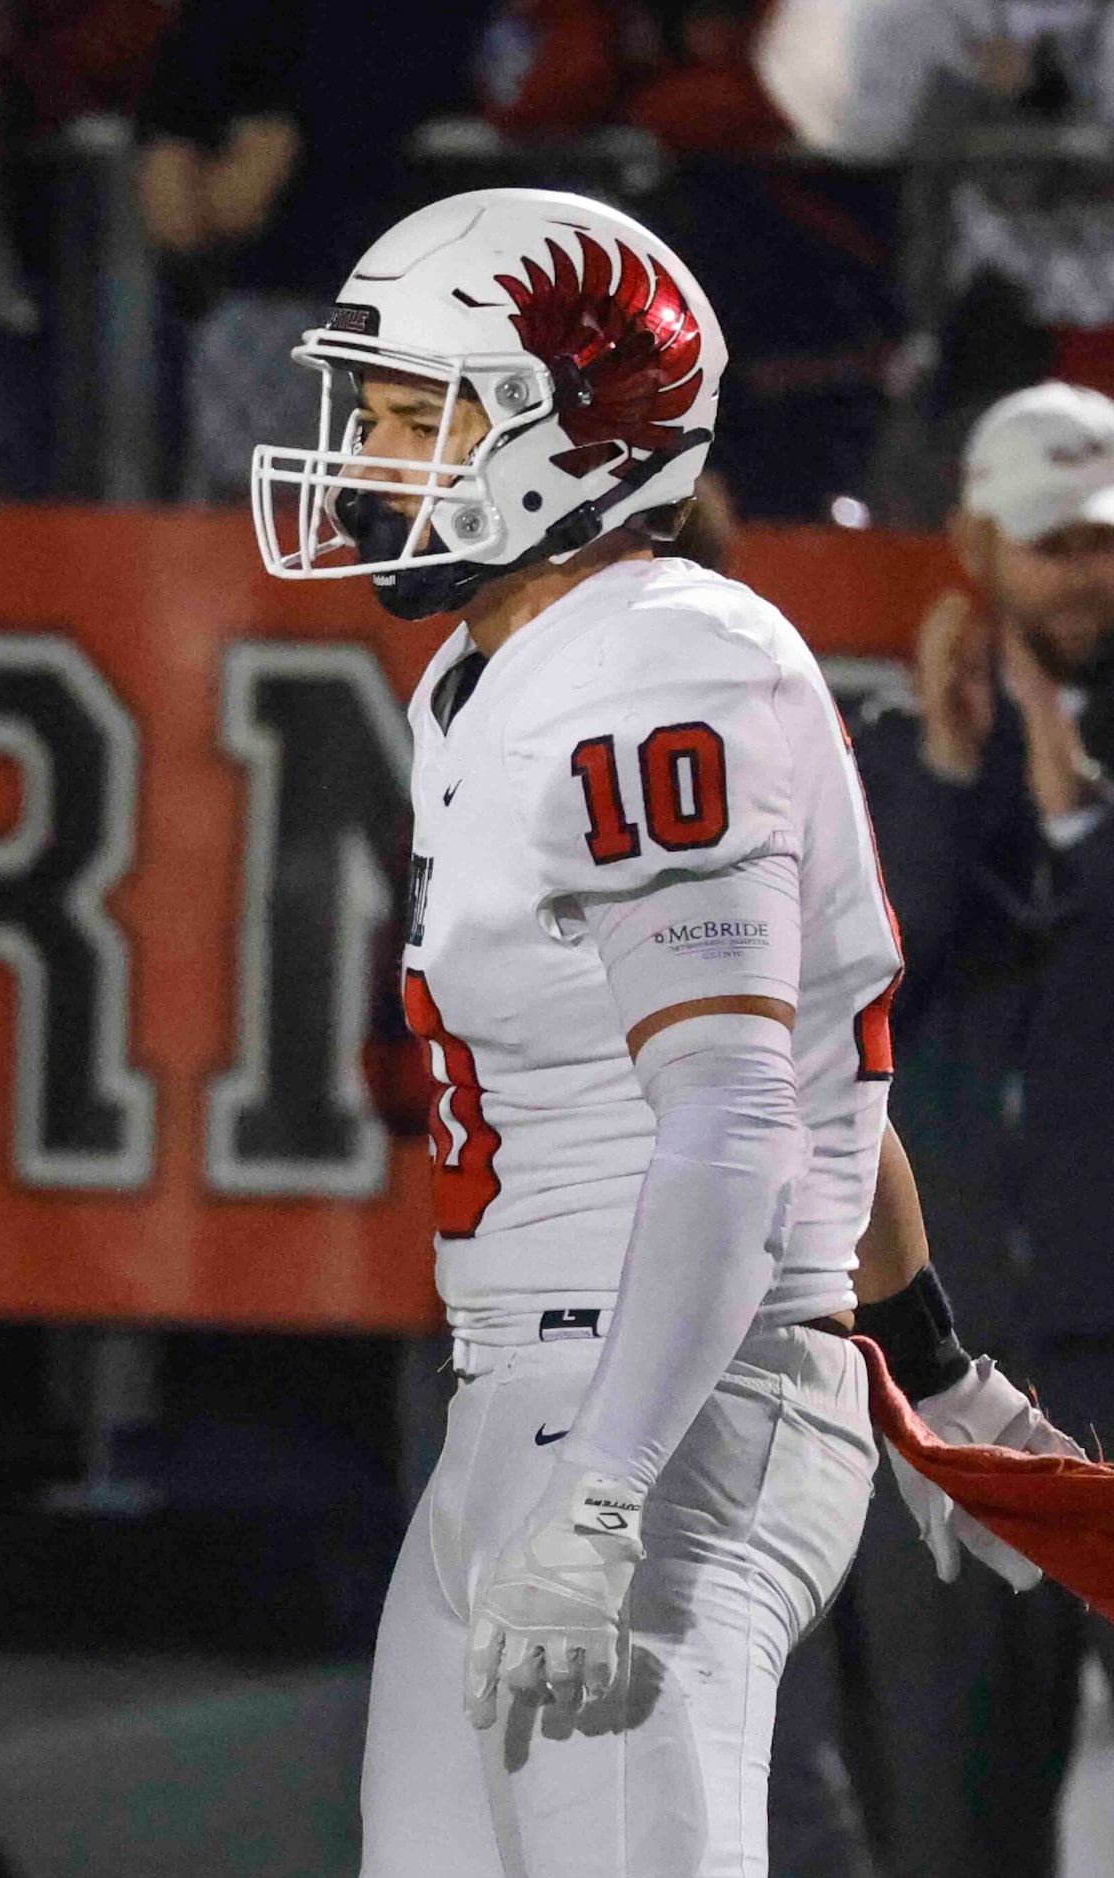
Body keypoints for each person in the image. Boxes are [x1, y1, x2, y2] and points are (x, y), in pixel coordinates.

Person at [250, 185, 1072, 1875]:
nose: (373, 458)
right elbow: (826, 1066)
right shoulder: (496, 668)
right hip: (530, 1381)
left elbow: (736, 1121)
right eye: (375, 412)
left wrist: (612, 1491)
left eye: (421, 418)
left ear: (567, 439)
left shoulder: (661, 665)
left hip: (663, 1395)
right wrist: (935, 1365)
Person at [841, 379, 1114, 1878]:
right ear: (973, 541)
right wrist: (951, 773)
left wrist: (1080, 818)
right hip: (960, 1378)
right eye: (1052, 540)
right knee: (954, 1829)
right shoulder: (890, 758)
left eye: (1103, 541)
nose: (1085, 572)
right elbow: (875, 982)